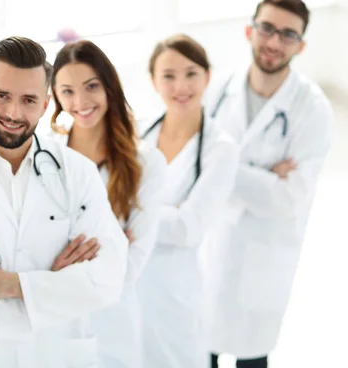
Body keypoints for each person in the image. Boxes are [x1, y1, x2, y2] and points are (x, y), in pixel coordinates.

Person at [0, 36, 128, 367]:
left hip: (62, 354)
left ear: (46, 105)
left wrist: (6, 284)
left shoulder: (76, 173)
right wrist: (55, 284)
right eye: (2, 96)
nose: (14, 113)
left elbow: (108, 279)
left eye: (29, 100)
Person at [205, 1, 334, 367]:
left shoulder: (312, 110)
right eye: (267, 28)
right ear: (249, 30)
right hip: (208, 250)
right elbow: (192, 167)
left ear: (300, 45)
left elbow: (287, 199)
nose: (275, 42)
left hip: (261, 260)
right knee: (198, 351)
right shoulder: (218, 92)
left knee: (252, 356)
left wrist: (223, 168)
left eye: (288, 34)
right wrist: (261, 175)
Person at [49, 39, 167, 368]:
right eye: (67, 91)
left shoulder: (148, 164)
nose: (81, 101)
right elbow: (32, 250)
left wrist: (61, 261)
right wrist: (111, 241)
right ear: (55, 96)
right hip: (55, 320)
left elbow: (129, 268)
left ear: (109, 87)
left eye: (91, 87)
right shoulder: (45, 157)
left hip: (113, 320)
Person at [136, 34, 240, 368]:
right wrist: (169, 213)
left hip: (176, 292)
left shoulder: (220, 149)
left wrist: (131, 214)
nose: (180, 85)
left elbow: (188, 229)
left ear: (208, 76)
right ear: (153, 81)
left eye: (191, 73)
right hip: (129, 286)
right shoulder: (137, 135)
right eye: (168, 75)